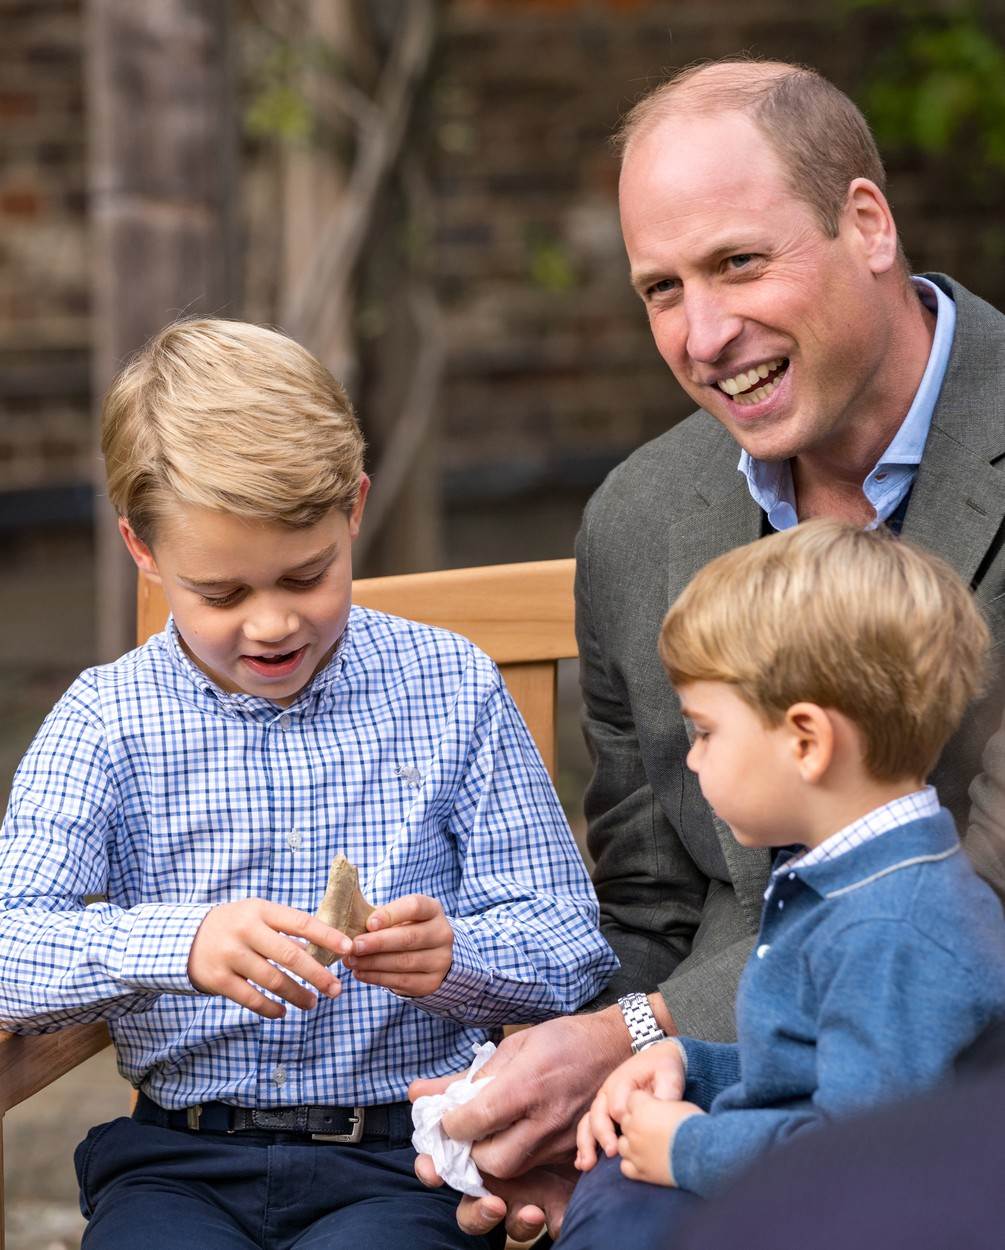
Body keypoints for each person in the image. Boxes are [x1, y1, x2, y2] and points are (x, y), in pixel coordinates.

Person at [410, 57, 1005, 1244]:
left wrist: (634, 1048)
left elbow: (990, 880)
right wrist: (595, 1122)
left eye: (739, 262)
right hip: (740, 1104)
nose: (704, 331)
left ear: (867, 223)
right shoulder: (640, 519)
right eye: (661, 288)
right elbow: (652, 905)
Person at [0, 318, 618, 1250]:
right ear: (142, 549)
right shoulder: (106, 721)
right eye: (222, 593)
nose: (273, 622)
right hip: (180, 1165)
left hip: (401, 1161)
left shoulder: (448, 687)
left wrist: (457, 964)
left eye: (308, 573)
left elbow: (571, 944)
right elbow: (12, 943)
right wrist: (182, 943)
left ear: (355, 508)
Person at [558, 519, 1005, 1247]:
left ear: (805, 740)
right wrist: (689, 1063)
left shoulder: (891, 931)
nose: (693, 762)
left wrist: (687, 1149)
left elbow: (863, 1157)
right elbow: (815, 1071)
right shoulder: (852, 882)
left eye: (704, 731)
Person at [675, 1018, 1005, 1250]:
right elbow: (831, 1070)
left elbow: (868, 1161)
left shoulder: (890, 936)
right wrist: (696, 1066)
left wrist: (695, 1147)